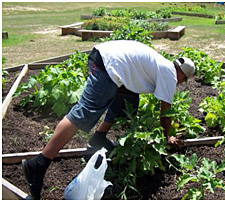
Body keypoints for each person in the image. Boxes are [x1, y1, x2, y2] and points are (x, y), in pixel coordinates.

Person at [22, 40, 195, 199]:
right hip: (109, 65)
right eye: (184, 81)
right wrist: (167, 137)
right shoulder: (170, 74)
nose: (180, 84)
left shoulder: (162, 63)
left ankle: (99, 137)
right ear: (183, 76)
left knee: (128, 102)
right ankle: (39, 164)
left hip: (106, 57)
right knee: (84, 112)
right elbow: (166, 112)